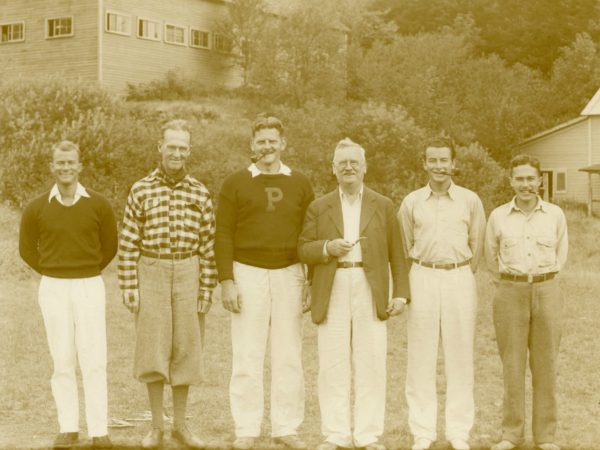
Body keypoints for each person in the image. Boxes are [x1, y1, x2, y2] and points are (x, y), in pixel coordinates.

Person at [298, 138, 410, 450]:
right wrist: (327, 248)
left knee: (371, 360)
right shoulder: (319, 207)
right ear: (333, 169)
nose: (348, 167)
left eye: (354, 162)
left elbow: (397, 254)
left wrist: (400, 293)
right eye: (342, 163)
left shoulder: (383, 204)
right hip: (332, 285)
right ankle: (336, 435)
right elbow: (302, 248)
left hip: (368, 284)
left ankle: (367, 436)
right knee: (332, 362)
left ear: (364, 167)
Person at [215, 113, 314, 450]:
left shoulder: (300, 182)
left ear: (283, 144)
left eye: (273, 141)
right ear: (252, 145)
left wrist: (309, 279)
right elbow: (223, 233)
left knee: (288, 352)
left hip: (288, 273)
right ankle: (246, 427)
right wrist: (227, 280)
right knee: (247, 352)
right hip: (247, 272)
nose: (267, 147)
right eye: (261, 141)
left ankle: (286, 427)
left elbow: (309, 234)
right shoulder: (235, 183)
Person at [118, 119, 217, 449]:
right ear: (159, 148)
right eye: (171, 146)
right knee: (153, 349)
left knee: (186, 349)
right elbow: (129, 242)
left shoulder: (200, 192)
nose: (176, 153)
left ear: (189, 151)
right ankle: (157, 427)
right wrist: (130, 286)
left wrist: (205, 289)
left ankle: (181, 426)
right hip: (153, 269)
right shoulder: (140, 189)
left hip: (188, 270)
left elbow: (208, 245)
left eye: (182, 148)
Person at [19, 140, 117, 449]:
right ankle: (68, 427)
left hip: (89, 285)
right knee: (61, 358)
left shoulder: (98, 204)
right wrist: (54, 270)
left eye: (70, 162)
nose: (65, 168)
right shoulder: (37, 207)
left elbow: (109, 246)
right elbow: (26, 249)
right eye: (60, 163)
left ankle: (99, 430)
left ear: (79, 166)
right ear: (52, 167)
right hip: (53, 287)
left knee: (94, 358)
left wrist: (84, 269)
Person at [397, 137, 486, 450]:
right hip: (422, 275)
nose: (438, 166)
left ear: (453, 163)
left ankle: (458, 432)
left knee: (460, 355)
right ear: (424, 164)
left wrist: (460, 271)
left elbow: (478, 244)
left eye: (443, 160)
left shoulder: (470, 200)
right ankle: (423, 431)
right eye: (432, 160)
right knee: (420, 355)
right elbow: (404, 244)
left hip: (459, 277)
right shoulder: (411, 202)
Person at [484, 155, 568, 450]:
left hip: (547, 290)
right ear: (511, 182)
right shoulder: (498, 216)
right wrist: (510, 284)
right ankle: (511, 434)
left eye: (530, 179)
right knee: (512, 365)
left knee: (546, 365)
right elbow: (490, 257)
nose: (525, 185)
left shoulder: (555, 215)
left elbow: (562, 252)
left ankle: (545, 437)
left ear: (540, 181)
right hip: (510, 292)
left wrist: (543, 282)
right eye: (519, 179)